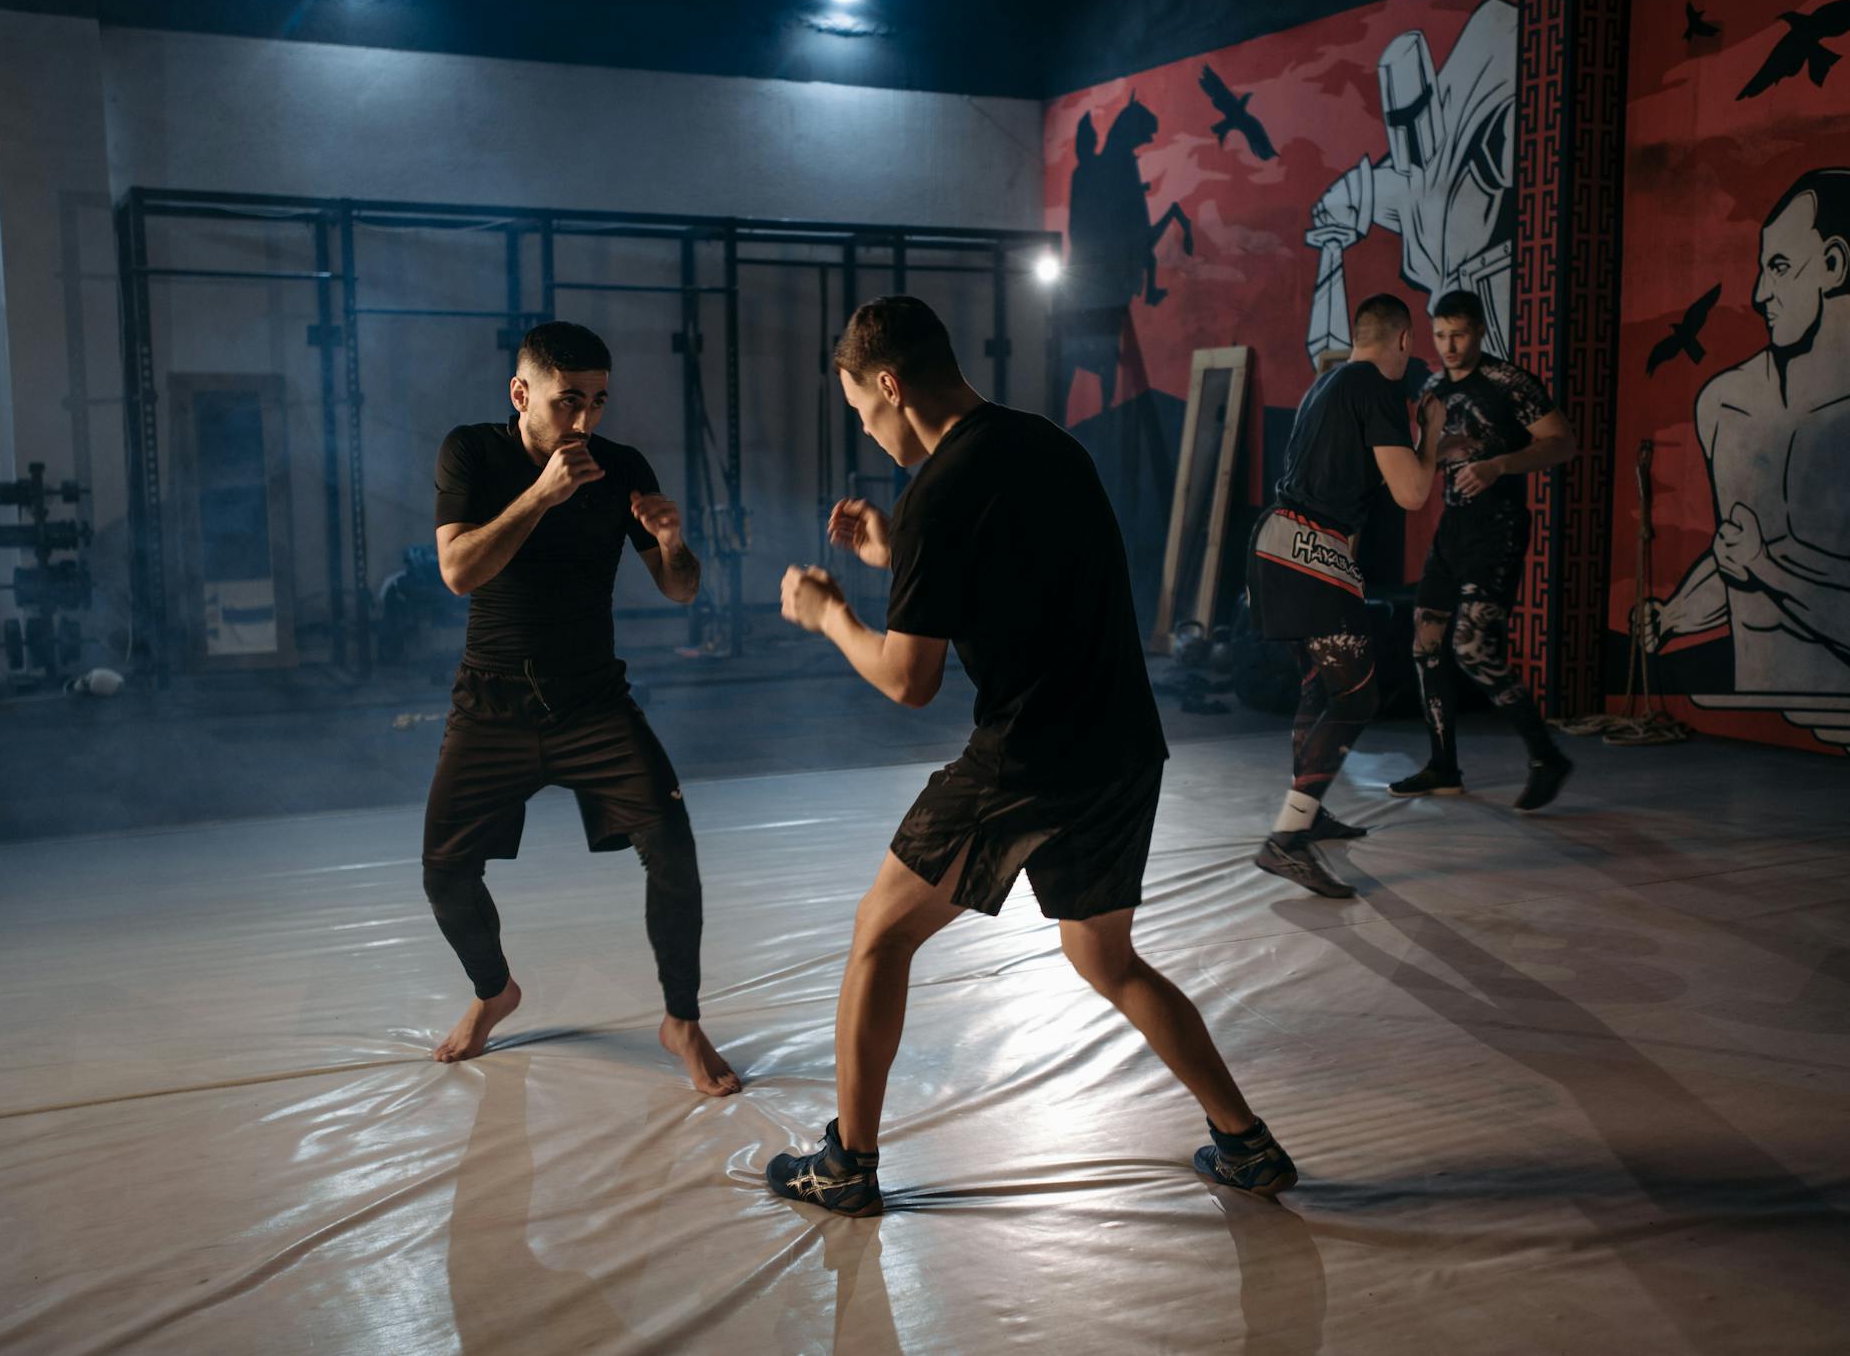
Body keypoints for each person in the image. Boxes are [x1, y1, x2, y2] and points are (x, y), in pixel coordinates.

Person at [766, 295, 1296, 1215]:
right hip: (1123, 744)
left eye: (863, 409)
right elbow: (1014, 580)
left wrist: (830, 615)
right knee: (1106, 958)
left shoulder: (936, 490)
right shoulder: (1047, 442)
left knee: (878, 933)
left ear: (890, 385)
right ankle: (1246, 1144)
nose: (868, 426)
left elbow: (907, 680)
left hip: (1030, 757)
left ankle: (845, 1165)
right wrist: (899, 554)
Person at [420, 320, 737, 1096]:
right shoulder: (472, 453)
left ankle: (682, 1021)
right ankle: (495, 990)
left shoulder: (619, 465)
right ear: (521, 394)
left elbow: (683, 588)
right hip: (492, 701)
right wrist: (542, 494)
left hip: (592, 701)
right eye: (568, 402)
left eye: (597, 401)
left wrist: (671, 543)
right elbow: (458, 570)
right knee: (444, 870)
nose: (585, 421)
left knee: (672, 843)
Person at [1639, 168, 1850, 693]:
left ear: (1834, 265)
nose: (1758, 293)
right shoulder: (1727, 404)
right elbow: (1740, 559)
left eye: (1779, 267)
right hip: (1752, 730)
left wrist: (1767, 569)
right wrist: (1674, 615)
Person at [1246, 294, 1437, 899]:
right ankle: (1287, 839)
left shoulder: (1325, 385)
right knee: (1357, 697)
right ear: (1404, 341)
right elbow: (1411, 492)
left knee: (1318, 688)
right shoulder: (1375, 388)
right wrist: (1430, 433)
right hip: (1308, 552)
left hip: (1283, 542)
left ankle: (1309, 816)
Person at [1388, 290, 1577, 809]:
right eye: (1442, 334)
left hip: (1500, 526)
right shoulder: (1430, 389)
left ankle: (1546, 756)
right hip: (1453, 530)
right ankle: (1443, 767)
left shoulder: (1507, 382)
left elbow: (1564, 441)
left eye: (1461, 334)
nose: (1450, 345)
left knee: (1472, 648)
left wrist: (1499, 465)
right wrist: (1436, 453)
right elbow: (1431, 457)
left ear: (1480, 332)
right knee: (1425, 646)